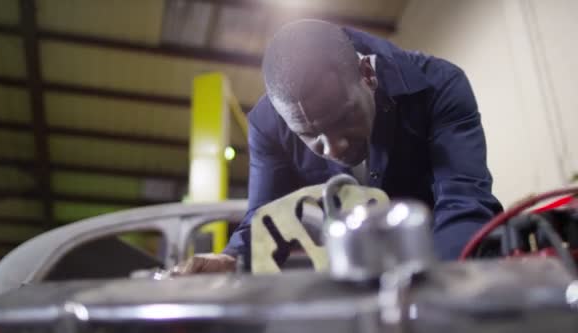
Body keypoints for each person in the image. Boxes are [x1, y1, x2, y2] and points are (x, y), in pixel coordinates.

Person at [179, 19, 502, 274]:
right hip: (352, 275)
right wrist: (232, 257)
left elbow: (463, 202)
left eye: (343, 117)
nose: (333, 148)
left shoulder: (438, 86)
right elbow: (266, 216)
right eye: (310, 135)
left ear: (367, 75)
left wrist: (439, 287)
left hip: (443, 260)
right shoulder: (268, 125)